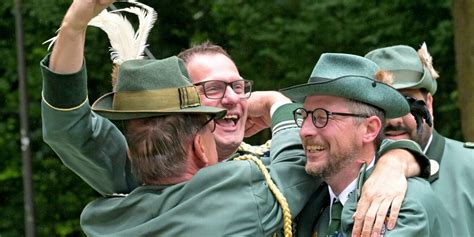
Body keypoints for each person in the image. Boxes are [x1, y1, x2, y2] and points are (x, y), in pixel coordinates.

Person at [41, 1, 430, 235]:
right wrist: (278, 106)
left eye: (238, 86)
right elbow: (70, 128)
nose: (230, 100)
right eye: (211, 94)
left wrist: (396, 160)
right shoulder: (257, 179)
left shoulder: (262, 159)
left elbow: (350, 145)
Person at [280, 53, 453, 236]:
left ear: (370, 129)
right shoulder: (316, 203)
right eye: (304, 116)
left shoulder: (402, 204)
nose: (305, 131)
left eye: (322, 117)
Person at [365, 44, 474, 236]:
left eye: (407, 102)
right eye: (382, 105)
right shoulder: (350, 176)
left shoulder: (470, 168)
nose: (394, 120)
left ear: (429, 104)